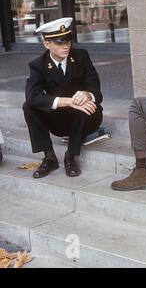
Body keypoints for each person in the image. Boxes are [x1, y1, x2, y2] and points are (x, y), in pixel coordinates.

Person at [23, 17, 103, 179]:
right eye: (59, 43)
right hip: (59, 120)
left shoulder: (81, 56)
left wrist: (87, 94)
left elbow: (96, 90)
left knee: (84, 106)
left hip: (86, 117)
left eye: (68, 41)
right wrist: (69, 101)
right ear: (47, 44)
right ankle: (50, 157)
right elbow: (32, 97)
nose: (66, 46)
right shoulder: (38, 65)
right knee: (28, 106)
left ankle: (70, 157)